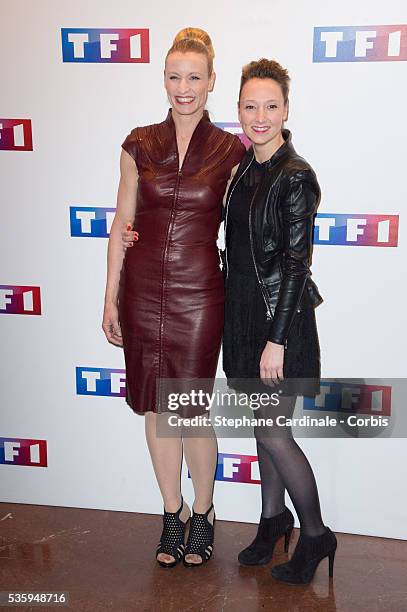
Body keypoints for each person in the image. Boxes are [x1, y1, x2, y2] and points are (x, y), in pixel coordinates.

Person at [102, 27, 245, 569]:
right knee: (155, 408)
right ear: (163, 80)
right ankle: (173, 513)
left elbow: (252, 222)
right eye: (174, 76)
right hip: (141, 293)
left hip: (200, 294)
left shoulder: (232, 150)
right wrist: (110, 295)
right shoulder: (139, 143)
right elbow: (122, 223)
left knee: (189, 410)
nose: (183, 87)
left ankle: (204, 513)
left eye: (194, 76)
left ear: (211, 82)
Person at [222, 58, 337, 584]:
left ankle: (315, 535)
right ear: (239, 110)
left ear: (286, 109)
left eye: (271, 106)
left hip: (278, 321)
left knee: (273, 433)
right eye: (250, 106)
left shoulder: (296, 176)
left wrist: (277, 340)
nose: (260, 116)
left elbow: (296, 265)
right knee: (261, 430)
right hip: (241, 313)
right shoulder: (245, 168)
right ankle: (273, 521)